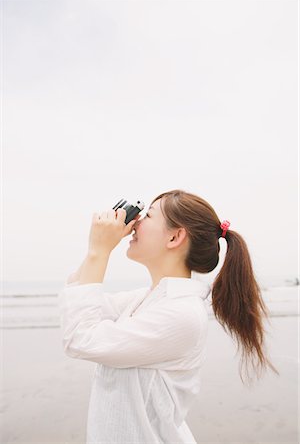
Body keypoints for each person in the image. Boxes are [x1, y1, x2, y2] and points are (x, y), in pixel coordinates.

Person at [58, 189, 279, 444]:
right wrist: (96, 249)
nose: (135, 222)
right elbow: (80, 306)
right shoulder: (148, 299)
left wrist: (100, 251)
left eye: (147, 215)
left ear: (175, 236)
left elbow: (79, 337)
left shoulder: (181, 314)